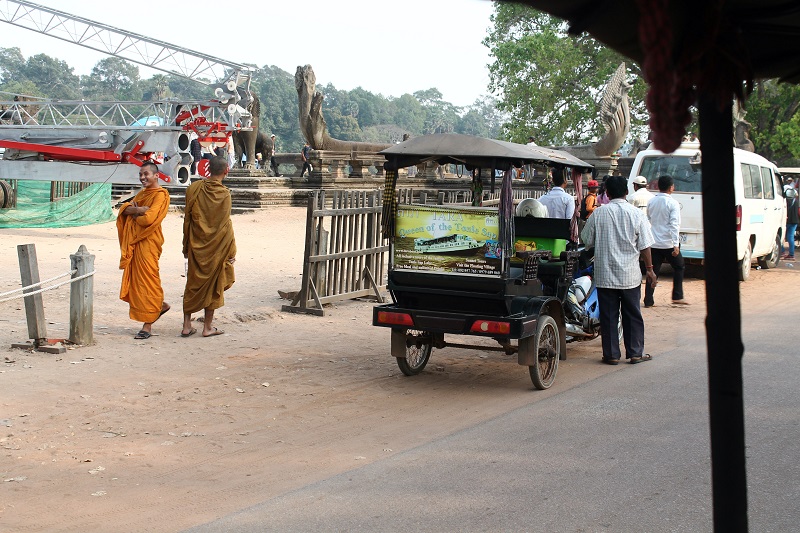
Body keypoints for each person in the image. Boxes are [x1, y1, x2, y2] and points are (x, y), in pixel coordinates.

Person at [580, 175, 658, 365]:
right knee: (633, 314)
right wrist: (650, 269)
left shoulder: (599, 214)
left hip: (606, 275)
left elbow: (586, 240)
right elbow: (645, 246)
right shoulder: (637, 214)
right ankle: (635, 352)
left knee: (608, 316)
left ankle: (612, 355)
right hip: (630, 275)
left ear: (606, 193)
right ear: (626, 192)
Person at [180, 156, 237, 338]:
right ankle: (207, 327)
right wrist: (231, 250)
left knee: (192, 284)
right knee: (213, 284)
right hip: (217, 248)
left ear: (208, 169)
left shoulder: (194, 189)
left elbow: (188, 219)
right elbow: (225, 224)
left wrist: (186, 244)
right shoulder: (224, 194)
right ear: (226, 170)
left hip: (196, 245)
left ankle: (187, 326)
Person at [116, 161, 171, 340]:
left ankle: (147, 325)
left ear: (156, 175)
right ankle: (160, 306)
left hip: (148, 243)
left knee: (150, 281)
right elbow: (124, 209)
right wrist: (137, 210)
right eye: (140, 174)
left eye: (146, 174)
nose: (142, 177)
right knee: (140, 282)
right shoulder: (143, 194)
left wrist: (133, 213)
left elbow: (148, 220)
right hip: (138, 242)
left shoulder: (161, 195)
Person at [644, 175, 688, 307]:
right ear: (671, 187)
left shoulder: (651, 201)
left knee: (653, 270)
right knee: (679, 266)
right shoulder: (673, 203)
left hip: (654, 241)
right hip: (668, 242)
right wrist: (676, 244)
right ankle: (677, 295)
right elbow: (674, 224)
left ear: (658, 186)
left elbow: (648, 219)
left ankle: (648, 299)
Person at [782, 187, 798, 260]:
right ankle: (791, 254)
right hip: (795, 222)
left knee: (781, 237)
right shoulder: (796, 201)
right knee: (790, 237)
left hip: (787, 221)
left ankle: (782, 252)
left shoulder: (785, 201)